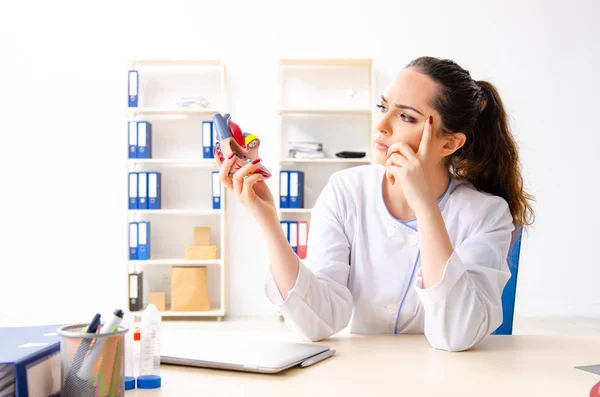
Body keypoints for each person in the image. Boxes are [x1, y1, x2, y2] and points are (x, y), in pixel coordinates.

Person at [216, 56, 534, 352]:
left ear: (450, 142)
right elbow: (317, 322)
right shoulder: (345, 191)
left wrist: (424, 205)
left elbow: (457, 334)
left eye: (406, 116)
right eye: (384, 107)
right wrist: (268, 221)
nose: (382, 124)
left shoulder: (486, 213)